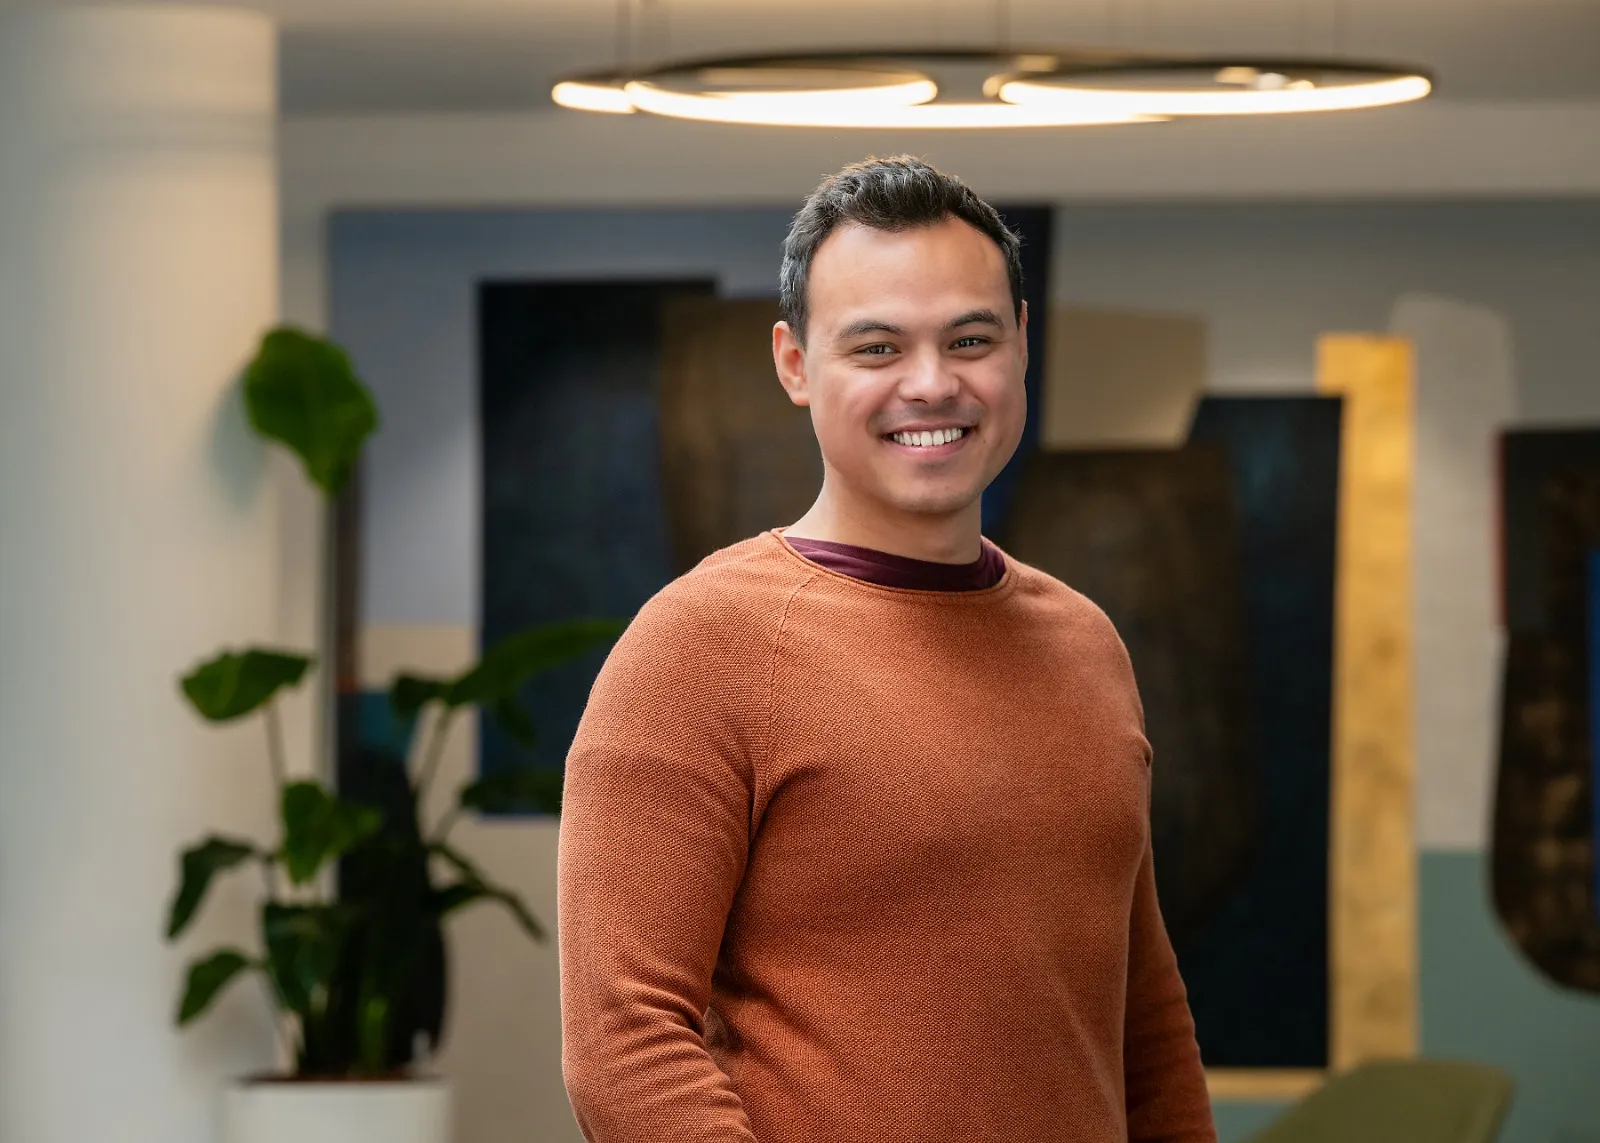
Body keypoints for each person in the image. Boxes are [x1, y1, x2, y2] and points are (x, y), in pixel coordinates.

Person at [557, 155, 1216, 1143]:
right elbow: (624, 1045)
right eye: (876, 347)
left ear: (1021, 345)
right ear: (793, 363)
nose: (931, 383)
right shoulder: (696, 646)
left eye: (969, 338)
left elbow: (1142, 1027)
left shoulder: (1086, 645)